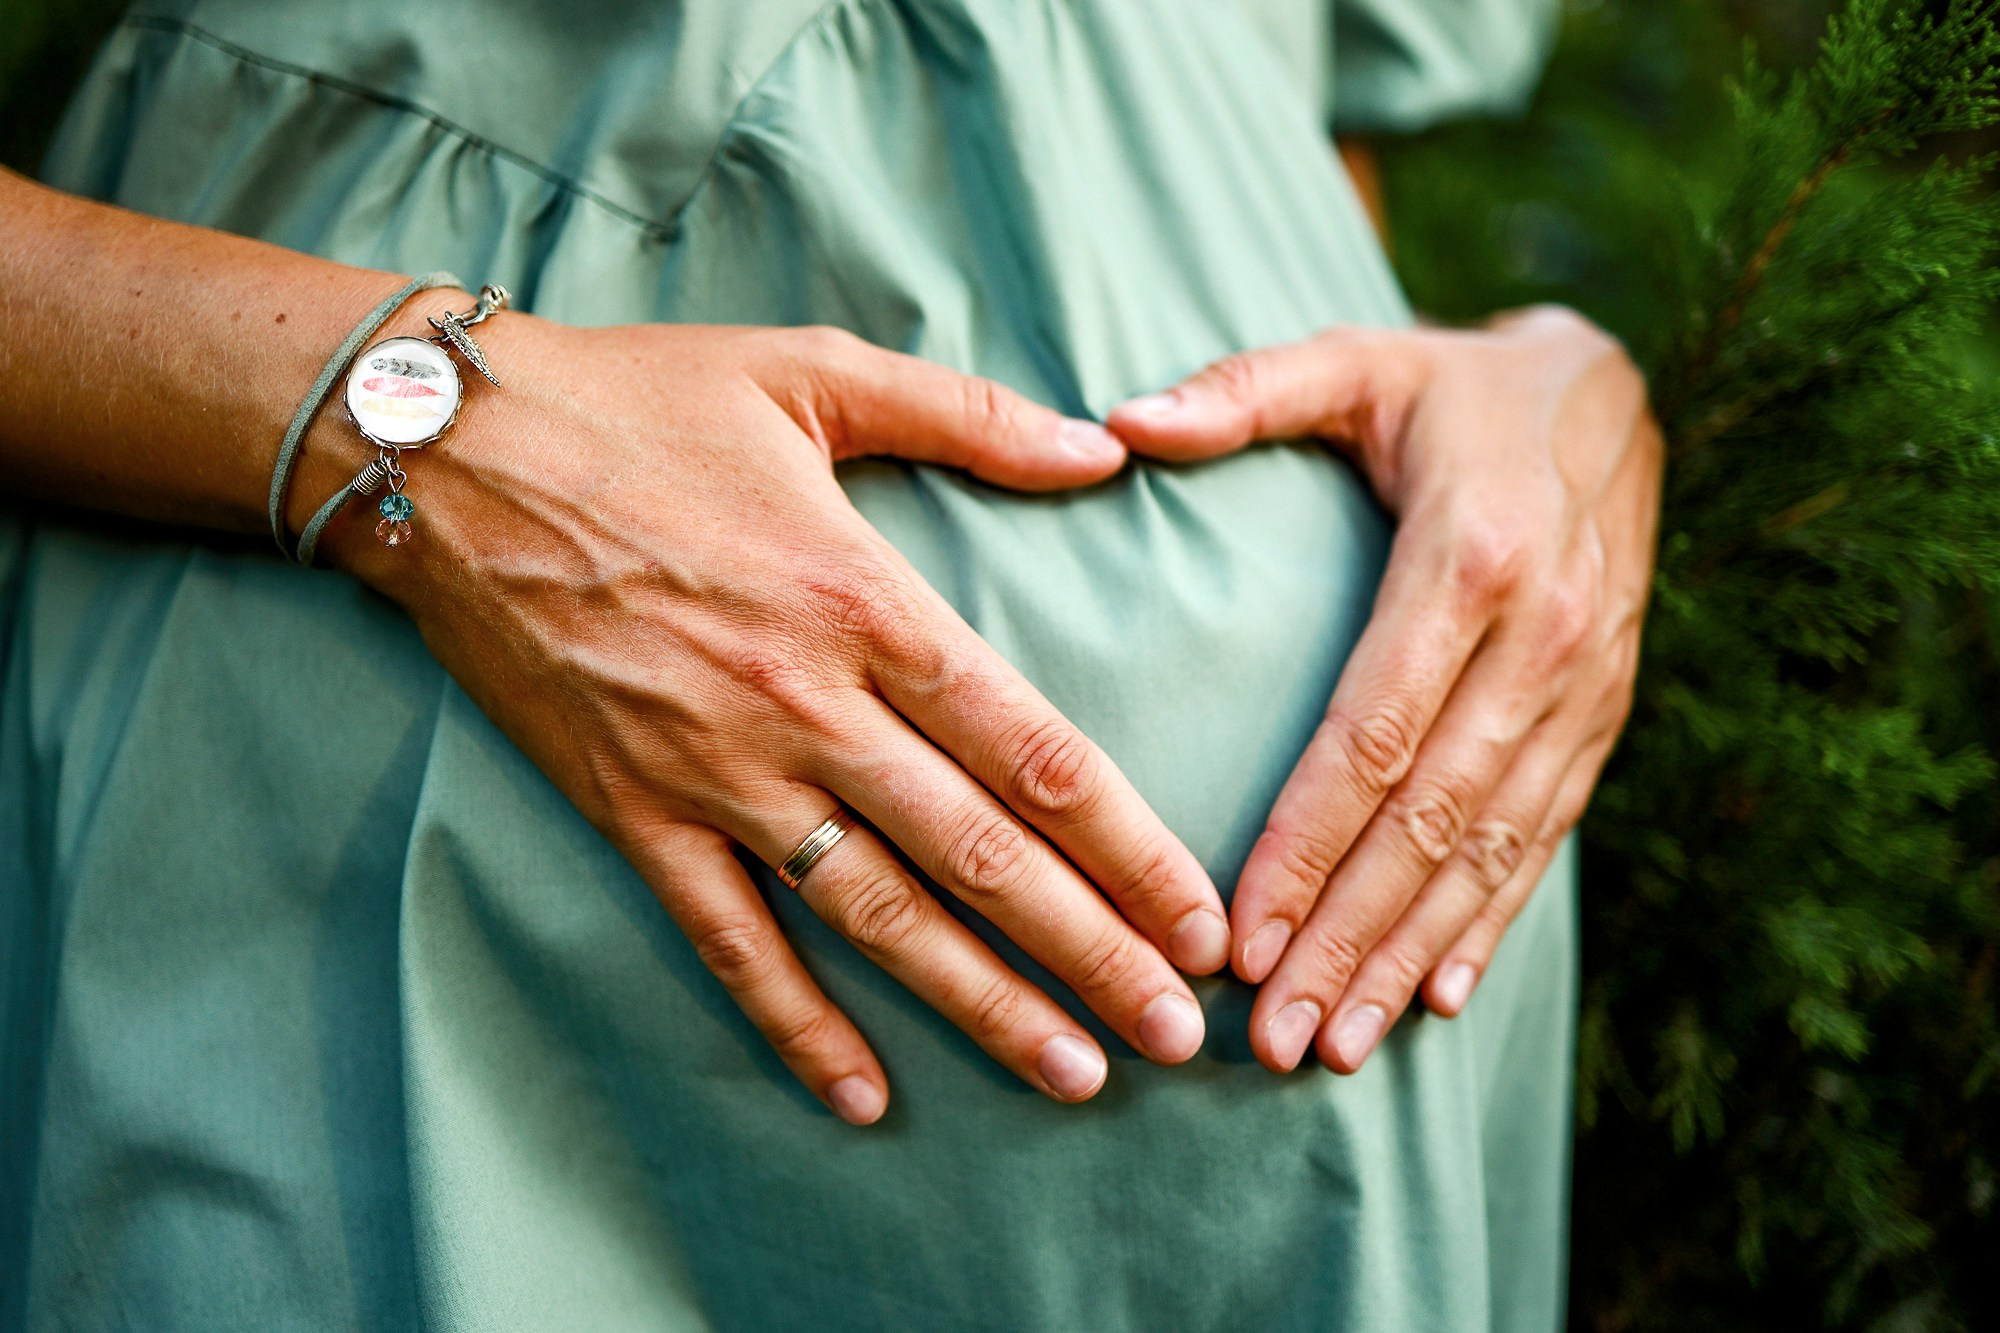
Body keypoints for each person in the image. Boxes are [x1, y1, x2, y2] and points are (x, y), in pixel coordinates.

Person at [0, 0, 1661, 1328]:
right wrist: (423, 431)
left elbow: (1290, 122)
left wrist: (1551, 388)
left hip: (1297, 1145)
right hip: (412, 868)